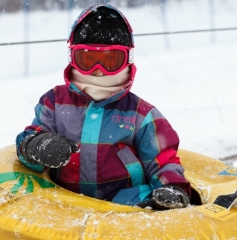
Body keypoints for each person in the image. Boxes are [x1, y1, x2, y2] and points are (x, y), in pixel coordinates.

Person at [16, 3, 191, 210]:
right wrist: (38, 145)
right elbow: (29, 138)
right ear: (73, 58)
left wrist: (172, 187)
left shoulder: (140, 115)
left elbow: (163, 160)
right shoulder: (55, 103)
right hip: (65, 202)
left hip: (126, 203)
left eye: (110, 61)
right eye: (88, 59)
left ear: (127, 60)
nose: (98, 71)